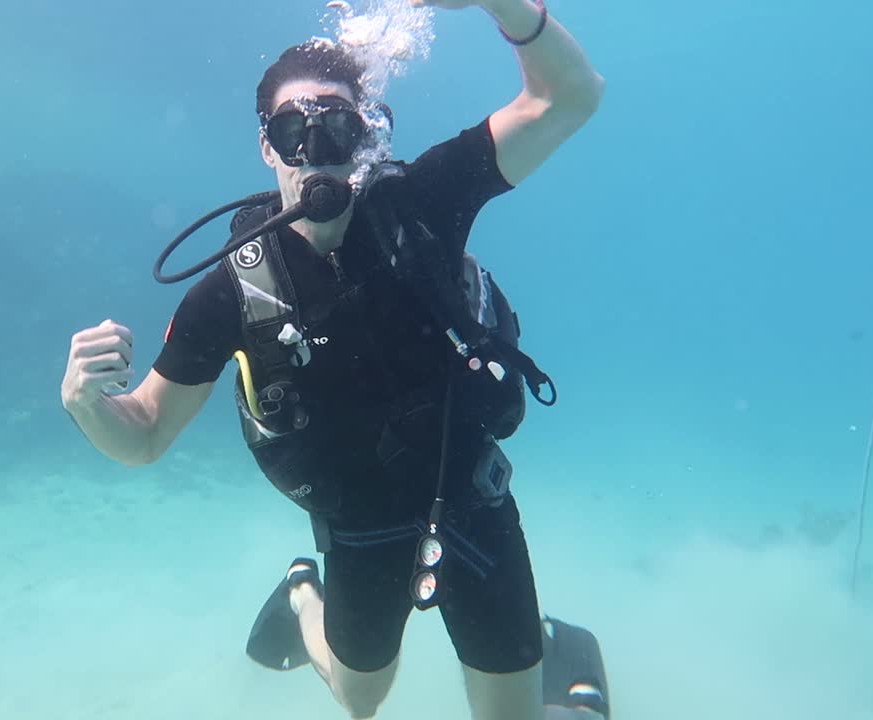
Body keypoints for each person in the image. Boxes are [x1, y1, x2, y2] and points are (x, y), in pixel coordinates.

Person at [60, 0, 604, 717]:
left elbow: (569, 97)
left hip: (472, 499)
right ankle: (302, 593)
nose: (316, 151)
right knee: (359, 701)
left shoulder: (424, 203)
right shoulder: (232, 291)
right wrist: (86, 404)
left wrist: (503, 4)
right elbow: (146, 434)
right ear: (267, 147)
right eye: (294, 131)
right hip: (358, 527)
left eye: (338, 127)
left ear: (369, 134)